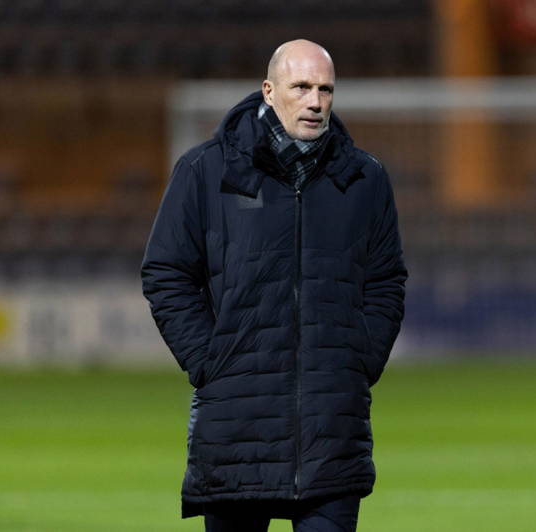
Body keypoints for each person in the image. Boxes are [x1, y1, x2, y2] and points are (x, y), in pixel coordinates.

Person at [141, 39, 407, 531]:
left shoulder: (365, 179)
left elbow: (386, 279)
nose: (315, 101)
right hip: (236, 429)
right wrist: (209, 360)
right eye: (301, 87)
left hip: (332, 431)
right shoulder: (206, 171)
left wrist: (360, 358)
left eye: (325, 89)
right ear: (268, 91)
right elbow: (166, 271)